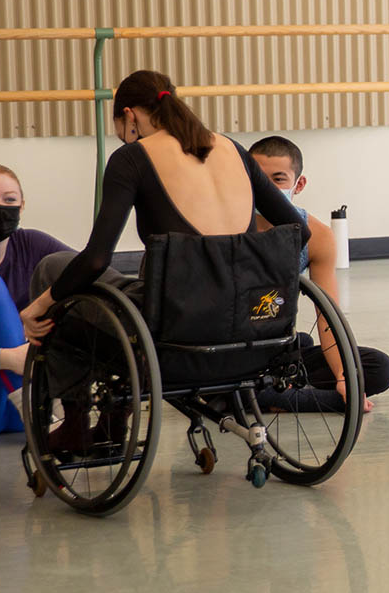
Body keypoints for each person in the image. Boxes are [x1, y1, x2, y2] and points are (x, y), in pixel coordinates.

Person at [20, 70, 309, 449]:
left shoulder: (132, 159)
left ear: (129, 116)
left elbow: (94, 260)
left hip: (176, 329)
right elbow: (298, 232)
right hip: (252, 326)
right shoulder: (233, 149)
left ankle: (79, 420)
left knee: (54, 268)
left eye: (120, 126)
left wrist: (39, 306)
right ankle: (109, 416)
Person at [248, 135, 389, 413]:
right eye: (259, 179)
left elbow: (328, 316)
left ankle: (267, 396)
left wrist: (343, 378)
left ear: (298, 184)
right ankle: (271, 396)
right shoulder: (227, 226)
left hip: (278, 352)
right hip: (233, 352)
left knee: (379, 368)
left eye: (278, 180)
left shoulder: (317, 236)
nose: (267, 189)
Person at [0, 164, 72, 436]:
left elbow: (84, 273)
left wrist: (42, 305)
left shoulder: (34, 244)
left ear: (22, 206)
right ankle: (38, 406)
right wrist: (6, 357)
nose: (0, 207)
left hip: (15, 416)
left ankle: (39, 407)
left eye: (9, 200)